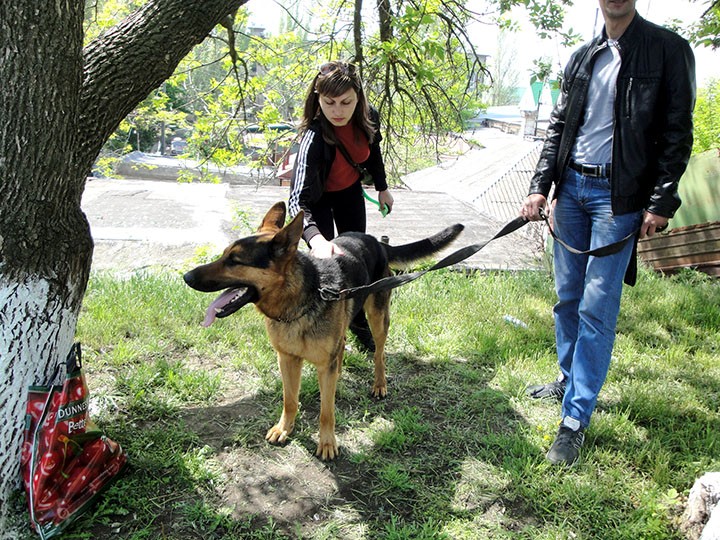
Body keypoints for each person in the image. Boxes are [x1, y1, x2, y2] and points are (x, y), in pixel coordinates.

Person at [520, 0, 695, 466]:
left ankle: (574, 421)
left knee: (598, 308)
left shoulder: (668, 50)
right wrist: (541, 188)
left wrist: (660, 201)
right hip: (572, 190)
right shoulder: (583, 55)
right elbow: (559, 127)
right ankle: (567, 378)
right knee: (567, 297)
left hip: (618, 199)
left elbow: (678, 133)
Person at [288, 60, 395, 352]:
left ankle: (358, 324)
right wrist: (316, 239)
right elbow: (297, 201)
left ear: (358, 98)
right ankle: (323, 331)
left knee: (354, 263)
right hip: (319, 200)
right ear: (318, 100)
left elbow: (374, 152)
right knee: (326, 267)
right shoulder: (313, 137)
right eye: (329, 102)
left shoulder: (369, 117)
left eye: (346, 102)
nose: (338, 111)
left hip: (349, 192)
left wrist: (382, 188)